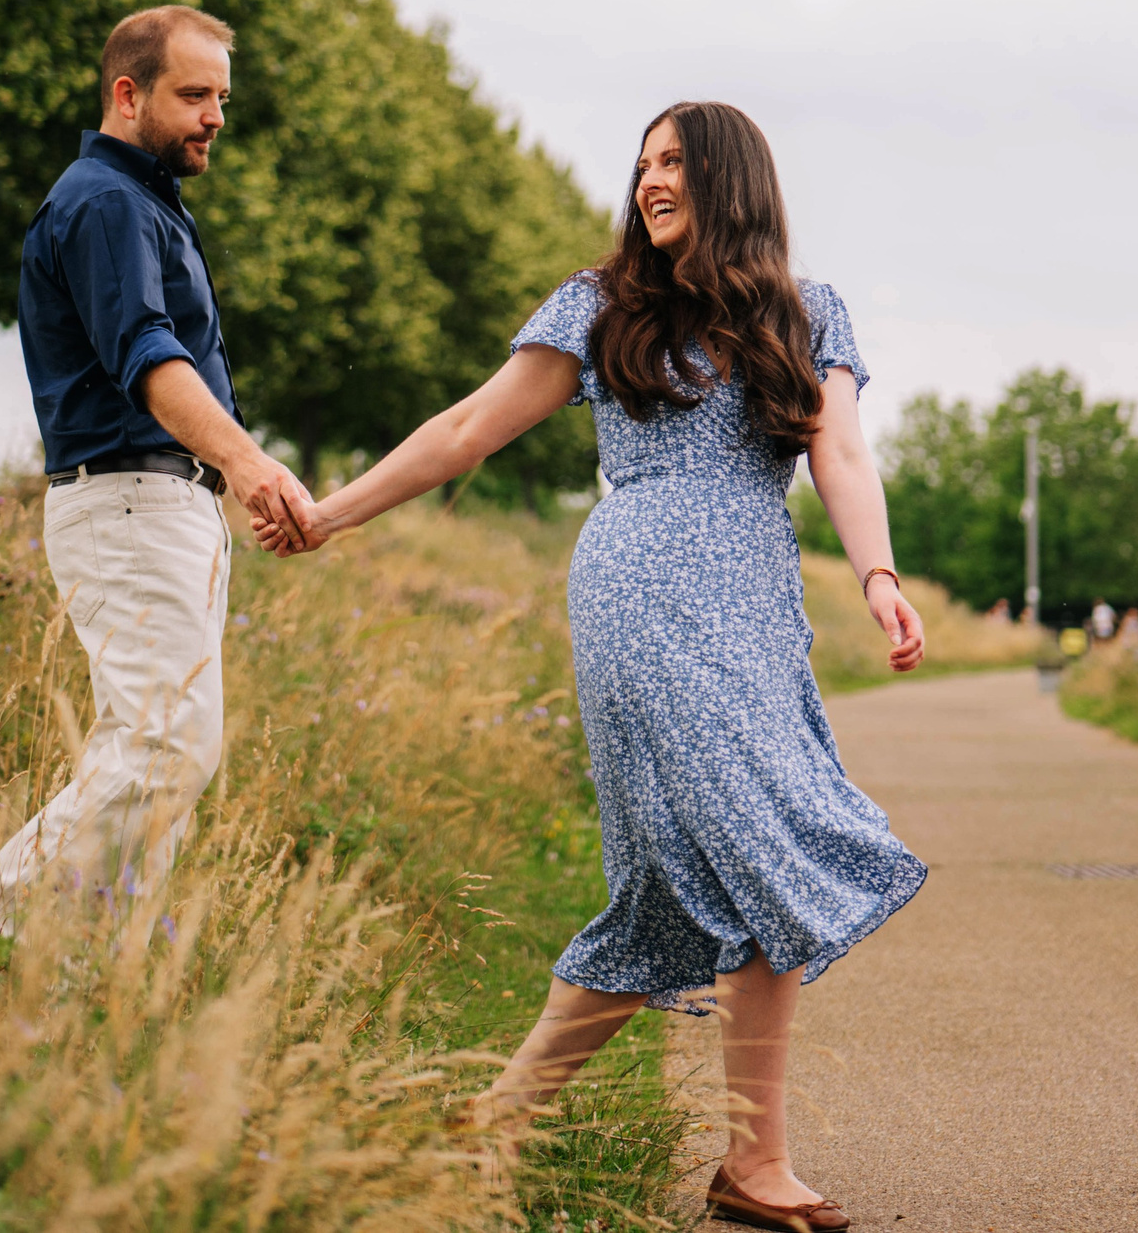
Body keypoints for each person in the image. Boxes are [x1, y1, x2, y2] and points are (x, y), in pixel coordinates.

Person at [260, 101, 925, 1233]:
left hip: (755, 600)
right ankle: (730, 1158)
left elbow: (843, 452)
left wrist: (879, 575)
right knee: (759, 837)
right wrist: (332, 513)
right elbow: (468, 429)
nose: (651, 180)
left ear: (730, 179)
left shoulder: (808, 311)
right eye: (644, 163)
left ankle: (530, 1130)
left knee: (703, 876)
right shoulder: (601, 303)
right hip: (640, 593)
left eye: (675, 163)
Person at [0, 5, 314, 973]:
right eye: (194, 95)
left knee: (157, 765)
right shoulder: (105, 202)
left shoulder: (144, 201)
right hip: (129, 500)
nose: (215, 117)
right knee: (164, 751)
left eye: (222, 97)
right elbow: (146, 355)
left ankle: (70, 992)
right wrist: (249, 462)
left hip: (162, 503)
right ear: (128, 94)